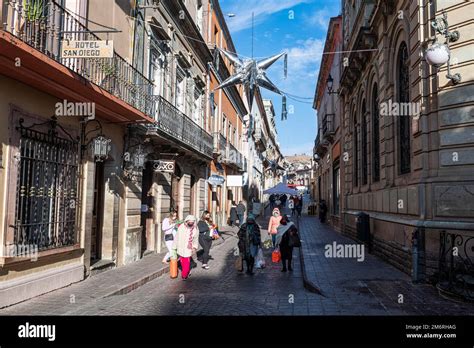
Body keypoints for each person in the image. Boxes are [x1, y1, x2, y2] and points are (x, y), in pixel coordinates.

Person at [172, 215, 199, 280]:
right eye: (190, 222)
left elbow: (195, 239)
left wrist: (194, 247)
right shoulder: (181, 227)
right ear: (186, 221)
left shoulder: (195, 229)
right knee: (182, 261)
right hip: (180, 247)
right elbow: (177, 237)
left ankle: (184, 275)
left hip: (188, 248)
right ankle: (186, 271)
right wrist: (174, 246)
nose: (191, 223)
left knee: (187, 262)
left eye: (192, 222)